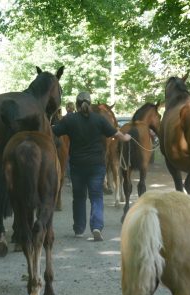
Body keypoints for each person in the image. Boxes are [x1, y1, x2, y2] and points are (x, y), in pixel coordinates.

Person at [53, 91, 131, 241]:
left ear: (76, 105)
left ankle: (79, 229)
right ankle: (96, 227)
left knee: (79, 197)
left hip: (77, 166)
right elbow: (116, 133)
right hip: (96, 165)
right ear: (90, 103)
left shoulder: (70, 120)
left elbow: (54, 131)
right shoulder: (99, 119)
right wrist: (127, 137)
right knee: (96, 197)